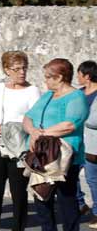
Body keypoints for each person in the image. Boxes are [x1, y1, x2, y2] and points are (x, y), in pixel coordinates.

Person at [23, 58, 89, 231]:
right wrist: (32, 131)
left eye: (48, 77)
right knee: (41, 198)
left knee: (66, 200)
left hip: (65, 158)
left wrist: (41, 133)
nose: (45, 81)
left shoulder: (77, 97)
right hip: (43, 155)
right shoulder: (47, 96)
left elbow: (69, 124)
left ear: (59, 77)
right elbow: (28, 117)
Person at [0, 51, 41, 231]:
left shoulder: (32, 91)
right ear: (7, 70)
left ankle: (19, 227)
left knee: (18, 192)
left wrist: (9, 128)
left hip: (19, 148)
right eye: (17, 69)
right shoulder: (0, 88)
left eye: (24, 68)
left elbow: (34, 119)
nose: (22, 72)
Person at [80, 61, 97, 229]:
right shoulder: (79, 93)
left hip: (92, 144)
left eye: (80, 74)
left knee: (92, 179)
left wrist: (81, 118)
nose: (77, 77)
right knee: (67, 175)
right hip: (77, 142)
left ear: (87, 75)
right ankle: (80, 204)